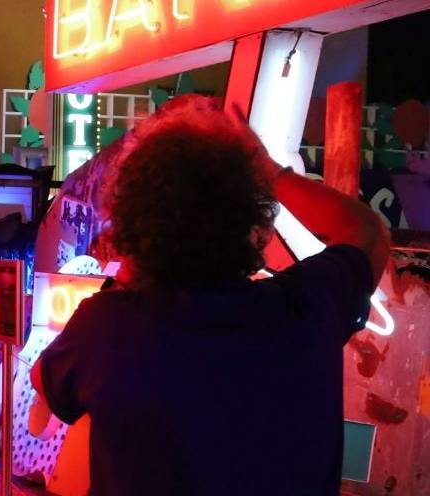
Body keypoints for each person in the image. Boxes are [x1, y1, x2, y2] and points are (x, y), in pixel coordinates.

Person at [30, 95, 390, 495]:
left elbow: (44, 383)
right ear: (249, 216)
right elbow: (366, 229)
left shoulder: (108, 326)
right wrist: (270, 170)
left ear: (135, 216)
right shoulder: (306, 306)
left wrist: (131, 265)